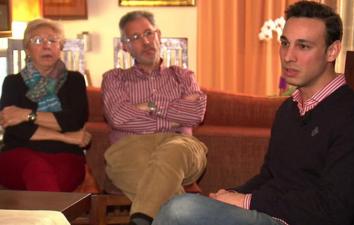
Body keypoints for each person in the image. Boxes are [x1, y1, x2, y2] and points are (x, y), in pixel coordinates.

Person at [152, 2, 354, 225]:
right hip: (271, 213)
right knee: (187, 205)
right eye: (285, 43)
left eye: (303, 46)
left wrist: (246, 202)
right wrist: (233, 195)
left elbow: (333, 210)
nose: (288, 56)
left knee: (180, 210)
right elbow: (270, 177)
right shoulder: (289, 110)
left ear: (332, 51)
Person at [101, 11, 207, 225]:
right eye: (135, 37)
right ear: (125, 46)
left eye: (149, 33)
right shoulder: (114, 78)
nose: (146, 41)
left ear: (158, 35)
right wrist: (174, 114)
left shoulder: (184, 76)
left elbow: (195, 113)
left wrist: (149, 107)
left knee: (171, 151)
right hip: (129, 149)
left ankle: (142, 217)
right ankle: (149, 217)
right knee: (144, 163)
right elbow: (118, 117)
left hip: (182, 146)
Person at [0, 19, 91, 192]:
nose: (46, 46)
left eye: (52, 40)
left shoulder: (75, 80)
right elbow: (15, 130)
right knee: (36, 168)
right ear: (27, 49)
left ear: (60, 47)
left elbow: (74, 121)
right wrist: (66, 137)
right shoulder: (12, 82)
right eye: (38, 41)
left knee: (46, 177)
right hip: (18, 155)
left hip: (67, 156)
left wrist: (26, 115)